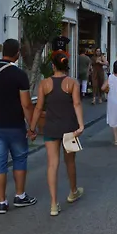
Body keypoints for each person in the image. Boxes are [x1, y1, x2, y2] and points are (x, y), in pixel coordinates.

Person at [0, 38, 37, 214]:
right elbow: (26, 104)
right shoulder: (19, 75)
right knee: (19, 159)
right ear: (17, 54)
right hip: (15, 125)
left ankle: (1, 202)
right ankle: (20, 196)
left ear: (3, 51)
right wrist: (31, 127)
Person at [30, 52, 85, 216]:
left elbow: (38, 108)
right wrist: (81, 125)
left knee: (52, 164)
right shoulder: (72, 83)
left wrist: (32, 128)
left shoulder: (44, 84)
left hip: (51, 127)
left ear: (53, 66)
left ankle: (54, 203)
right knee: (70, 162)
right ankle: (73, 191)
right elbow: (77, 104)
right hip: (69, 128)